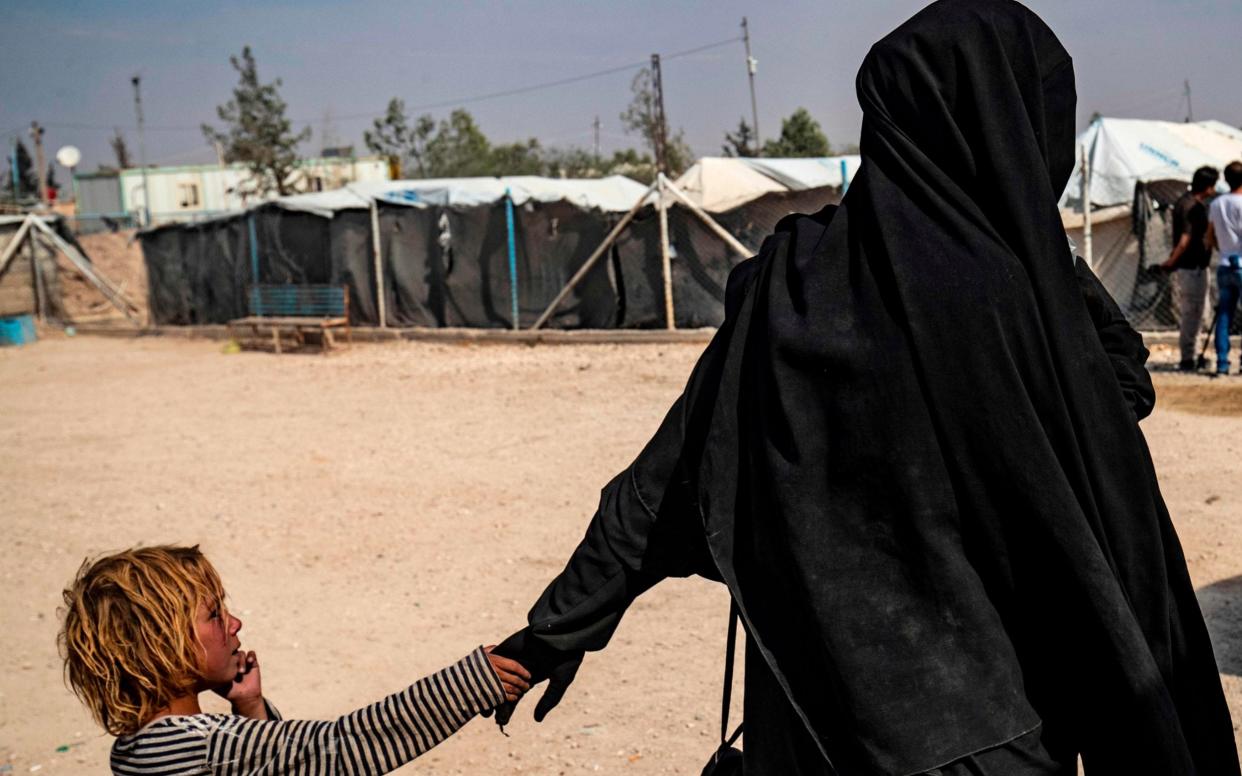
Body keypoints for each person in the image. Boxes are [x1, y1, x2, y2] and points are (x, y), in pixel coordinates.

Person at [493, 1, 1240, 775]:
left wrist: (551, 635)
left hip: (809, 738)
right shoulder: (1030, 300)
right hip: (993, 746)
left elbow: (657, 490)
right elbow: (1120, 397)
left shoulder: (794, 285)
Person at [58, 545, 531, 775]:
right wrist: (468, 684)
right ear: (164, 643)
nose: (236, 623)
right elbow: (340, 746)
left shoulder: (135, 749)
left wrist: (249, 705)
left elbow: (271, 764)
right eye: (215, 614)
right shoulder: (196, 745)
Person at [1161, 166, 1218, 370]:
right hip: (1190, 268)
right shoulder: (1189, 206)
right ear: (1208, 186)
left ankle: (1192, 355)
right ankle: (1187, 358)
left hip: (1195, 267)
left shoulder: (1188, 203)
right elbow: (1185, 240)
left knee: (1197, 313)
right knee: (1192, 314)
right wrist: (1171, 261)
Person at [1207, 160, 1242, 375]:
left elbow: (1210, 235)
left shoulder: (1217, 203)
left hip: (1224, 264)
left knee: (1224, 315)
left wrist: (1223, 249)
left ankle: (1222, 362)